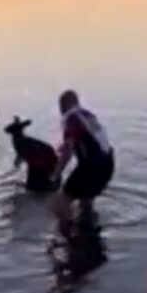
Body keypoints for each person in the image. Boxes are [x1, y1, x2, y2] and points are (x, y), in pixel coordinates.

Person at [49, 90, 114, 235]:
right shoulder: (88, 115)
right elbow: (90, 139)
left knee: (60, 204)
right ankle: (87, 235)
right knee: (86, 202)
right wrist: (65, 145)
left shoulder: (70, 119)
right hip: (108, 164)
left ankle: (65, 239)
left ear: (62, 107)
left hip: (92, 167)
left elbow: (67, 153)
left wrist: (56, 174)